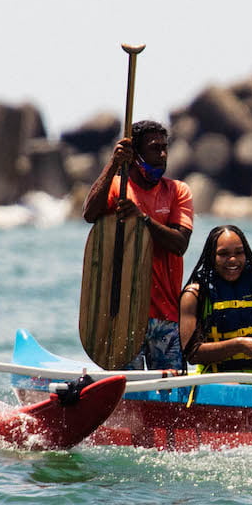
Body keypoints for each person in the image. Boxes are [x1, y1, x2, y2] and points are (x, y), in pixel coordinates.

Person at [81, 119, 194, 371]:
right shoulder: (119, 189)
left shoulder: (178, 191)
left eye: (165, 148)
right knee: (128, 391)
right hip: (125, 315)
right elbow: (89, 214)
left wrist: (141, 219)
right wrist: (114, 164)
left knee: (169, 395)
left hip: (166, 316)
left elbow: (179, 244)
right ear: (137, 154)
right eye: (155, 148)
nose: (163, 155)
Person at [179, 225, 252, 373]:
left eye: (239, 252)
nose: (233, 260)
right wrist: (239, 345)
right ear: (211, 256)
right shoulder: (194, 295)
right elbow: (192, 353)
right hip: (216, 379)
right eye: (223, 254)